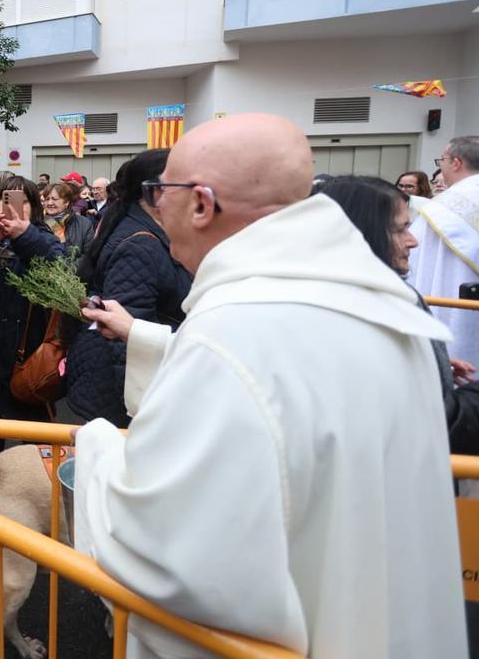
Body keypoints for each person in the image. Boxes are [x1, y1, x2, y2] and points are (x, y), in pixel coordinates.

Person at [77, 114, 465, 657]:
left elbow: (172, 566)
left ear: (202, 204)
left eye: (160, 191)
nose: (156, 207)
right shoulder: (384, 307)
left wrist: (96, 452)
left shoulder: (229, 334)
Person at [318, 175, 479, 452]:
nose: (414, 241)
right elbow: (432, 423)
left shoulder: (349, 293)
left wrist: (430, 361)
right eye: (400, 229)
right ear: (362, 234)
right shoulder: (365, 310)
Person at [66, 150, 191, 427]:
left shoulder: (139, 226)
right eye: (184, 185)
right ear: (154, 193)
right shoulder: (141, 245)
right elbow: (124, 337)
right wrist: (143, 412)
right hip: (120, 398)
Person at [0, 174, 65, 455]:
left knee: (37, 445)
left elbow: (60, 269)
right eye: (5, 200)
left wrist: (23, 235)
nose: (13, 207)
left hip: (28, 358)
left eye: (22, 201)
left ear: (34, 207)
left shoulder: (45, 238)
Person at [408, 136, 479, 367]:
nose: (441, 165)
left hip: (450, 301)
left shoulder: (443, 207)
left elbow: (416, 257)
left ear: (456, 162)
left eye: (443, 160)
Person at [42, 182, 94, 255]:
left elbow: (89, 256)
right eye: (47, 199)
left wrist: (67, 265)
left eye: (54, 199)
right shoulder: (38, 223)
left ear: (66, 202)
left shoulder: (84, 224)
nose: (50, 203)